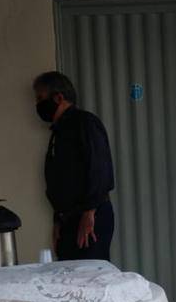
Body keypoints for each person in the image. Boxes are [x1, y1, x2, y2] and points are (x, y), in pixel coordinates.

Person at [34, 71, 115, 261]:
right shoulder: (58, 132)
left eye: (40, 98)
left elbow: (100, 168)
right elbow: (60, 179)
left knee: (90, 273)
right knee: (68, 275)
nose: (37, 105)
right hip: (68, 220)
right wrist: (58, 220)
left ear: (58, 97)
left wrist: (89, 212)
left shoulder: (85, 123)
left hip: (90, 216)